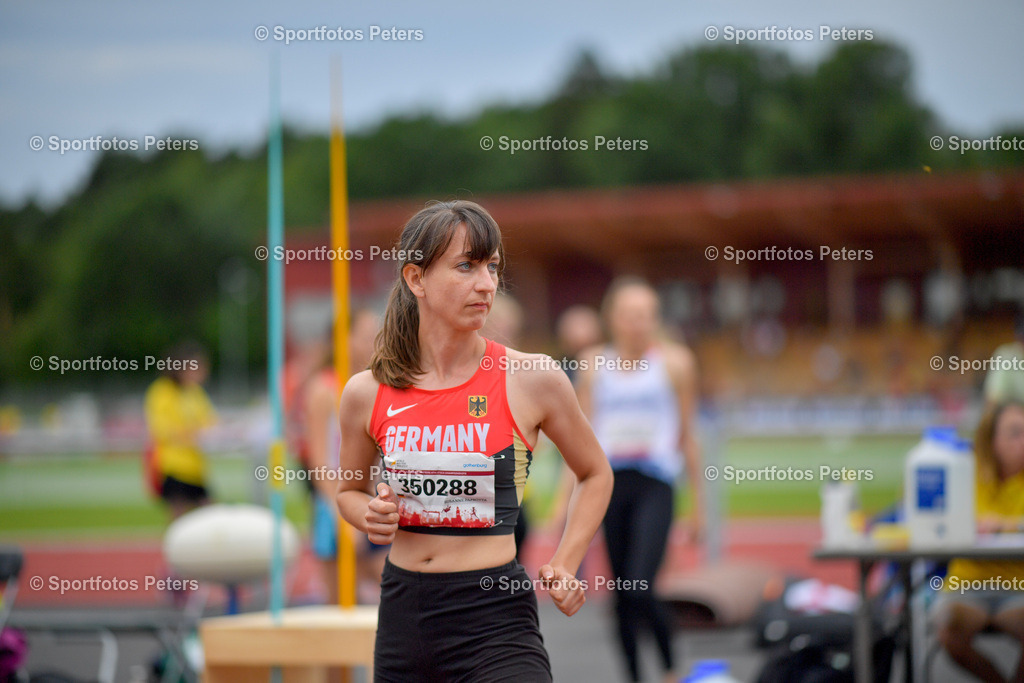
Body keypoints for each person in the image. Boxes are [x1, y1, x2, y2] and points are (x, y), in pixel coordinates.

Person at [335, 200, 613, 682]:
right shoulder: (366, 391)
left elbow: (594, 472)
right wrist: (369, 515)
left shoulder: (532, 377)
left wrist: (565, 563)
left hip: (495, 621)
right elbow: (347, 492)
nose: (486, 284)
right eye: (465, 266)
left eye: (492, 267)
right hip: (404, 617)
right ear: (415, 279)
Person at [576, 276, 705, 683]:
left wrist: (699, 509)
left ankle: (668, 669)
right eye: (631, 315)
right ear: (612, 318)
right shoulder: (593, 364)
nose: (640, 323)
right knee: (621, 595)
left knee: (639, 585)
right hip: (609, 485)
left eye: (647, 315)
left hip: (656, 483)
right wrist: (568, 503)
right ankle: (633, 676)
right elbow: (580, 439)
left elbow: (687, 435)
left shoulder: (676, 363)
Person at [934, 401, 1024, 683]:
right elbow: (936, 521)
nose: (1022, 440)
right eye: (1014, 432)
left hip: (1018, 586)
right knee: (950, 629)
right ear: (991, 438)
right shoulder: (962, 471)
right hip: (967, 583)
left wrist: (1005, 524)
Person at [304, 309, 385, 604]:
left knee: (388, 583)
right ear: (343, 339)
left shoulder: (373, 384)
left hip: (371, 497)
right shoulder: (323, 389)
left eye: (376, 336)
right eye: (365, 336)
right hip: (334, 501)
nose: (374, 343)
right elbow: (319, 461)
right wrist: (342, 515)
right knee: (341, 599)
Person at [143, 342, 216, 521]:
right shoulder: (162, 392)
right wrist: (191, 433)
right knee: (179, 516)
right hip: (172, 465)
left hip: (195, 467)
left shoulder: (194, 392)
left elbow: (210, 421)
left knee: (210, 515)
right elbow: (161, 429)